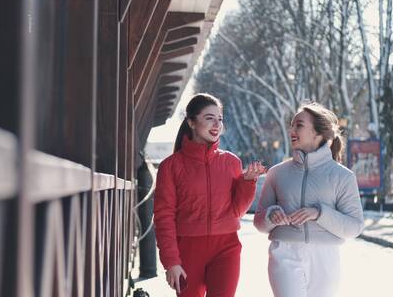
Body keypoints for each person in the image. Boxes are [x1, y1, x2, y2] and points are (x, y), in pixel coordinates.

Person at [154, 93, 265, 297]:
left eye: (220, 118)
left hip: (226, 247)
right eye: (209, 118)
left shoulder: (231, 162)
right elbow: (163, 217)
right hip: (188, 249)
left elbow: (237, 211)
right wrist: (171, 262)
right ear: (191, 122)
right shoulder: (171, 167)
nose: (217, 124)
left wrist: (248, 182)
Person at [253, 102, 364, 297]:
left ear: (317, 133)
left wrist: (319, 213)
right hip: (284, 252)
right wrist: (272, 216)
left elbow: (354, 226)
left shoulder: (342, 176)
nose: (292, 130)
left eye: (299, 125)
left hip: (325, 256)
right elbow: (260, 222)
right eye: (292, 125)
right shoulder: (277, 173)